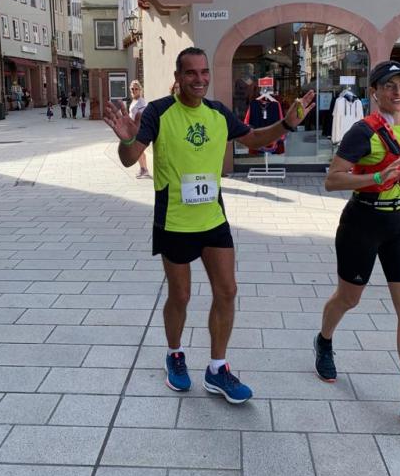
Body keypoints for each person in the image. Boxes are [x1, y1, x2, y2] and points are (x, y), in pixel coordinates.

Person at [104, 47, 314, 404]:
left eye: (204, 72)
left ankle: (217, 369)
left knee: (227, 290)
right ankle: (174, 354)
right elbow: (129, 159)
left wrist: (287, 124)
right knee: (181, 295)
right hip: (174, 221)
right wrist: (126, 139)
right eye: (191, 73)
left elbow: (253, 138)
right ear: (178, 77)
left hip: (213, 219)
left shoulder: (218, 112)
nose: (199, 79)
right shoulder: (159, 111)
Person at [314, 60, 400, 426]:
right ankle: (324, 340)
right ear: (374, 93)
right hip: (361, 223)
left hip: (398, 224)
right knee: (349, 298)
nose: (398, 91)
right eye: (389, 85)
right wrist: (377, 177)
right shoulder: (362, 131)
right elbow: (332, 180)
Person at [128, 80, 150, 178]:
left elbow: (142, 117)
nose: (134, 90)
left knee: (137, 151)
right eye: (132, 89)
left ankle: (143, 169)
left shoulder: (141, 102)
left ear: (140, 90)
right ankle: (144, 169)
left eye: (136, 89)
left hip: (138, 129)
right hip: (133, 129)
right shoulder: (134, 100)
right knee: (139, 151)